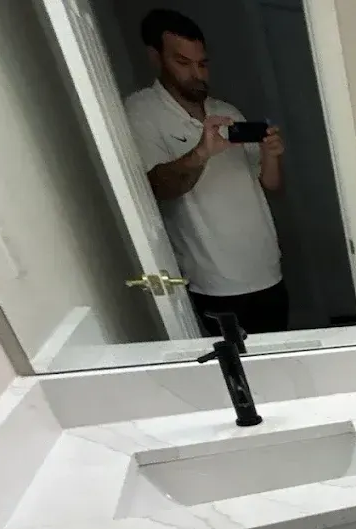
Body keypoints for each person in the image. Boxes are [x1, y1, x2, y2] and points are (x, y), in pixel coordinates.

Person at [125, 9, 289, 336]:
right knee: (235, 368)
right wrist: (201, 152)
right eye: (183, 63)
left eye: (202, 64)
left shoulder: (226, 111)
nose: (197, 74)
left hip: (267, 268)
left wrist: (272, 156)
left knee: (280, 361)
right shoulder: (141, 112)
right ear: (156, 58)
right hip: (214, 281)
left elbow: (270, 185)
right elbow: (157, 188)